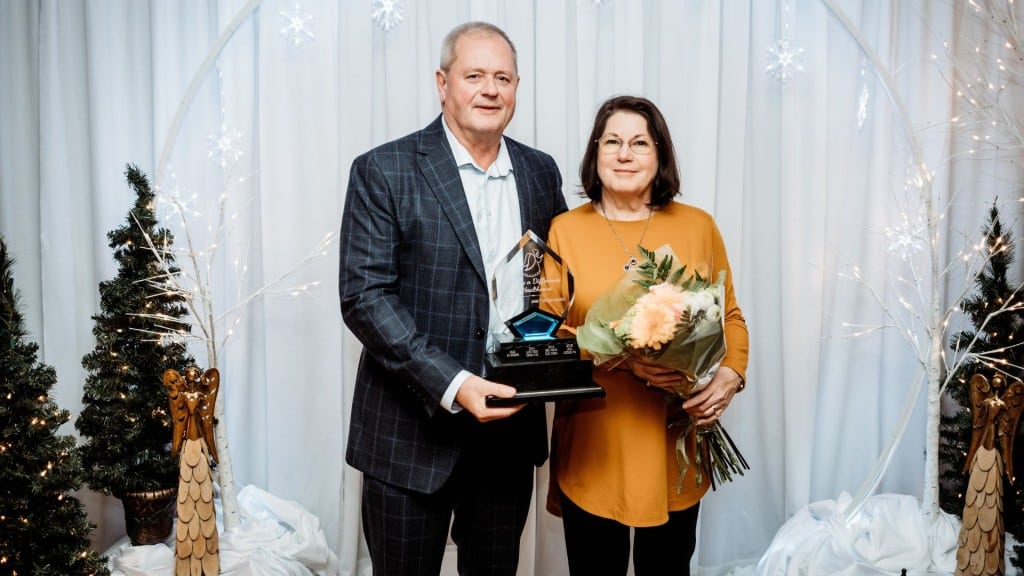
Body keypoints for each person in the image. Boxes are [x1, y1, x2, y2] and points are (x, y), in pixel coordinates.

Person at [338, 21, 567, 576]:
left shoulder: (539, 171)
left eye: (503, 77)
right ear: (443, 83)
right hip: (408, 435)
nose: (490, 90)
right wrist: (455, 384)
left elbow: (554, 285)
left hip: (507, 438)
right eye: (474, 75)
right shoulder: (384, 169)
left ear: (517, 88)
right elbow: (365, 297)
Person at [543, 95, 749, 575]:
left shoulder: (697, 225)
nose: (624, 153)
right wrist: (619, 354)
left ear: (660, 156)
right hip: (595, 440)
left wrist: (730, 376)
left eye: (639, 142)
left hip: (673, 442)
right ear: (595, 154)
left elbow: (731, 316)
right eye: (611, 141)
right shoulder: (565, 230)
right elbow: (547, 334)